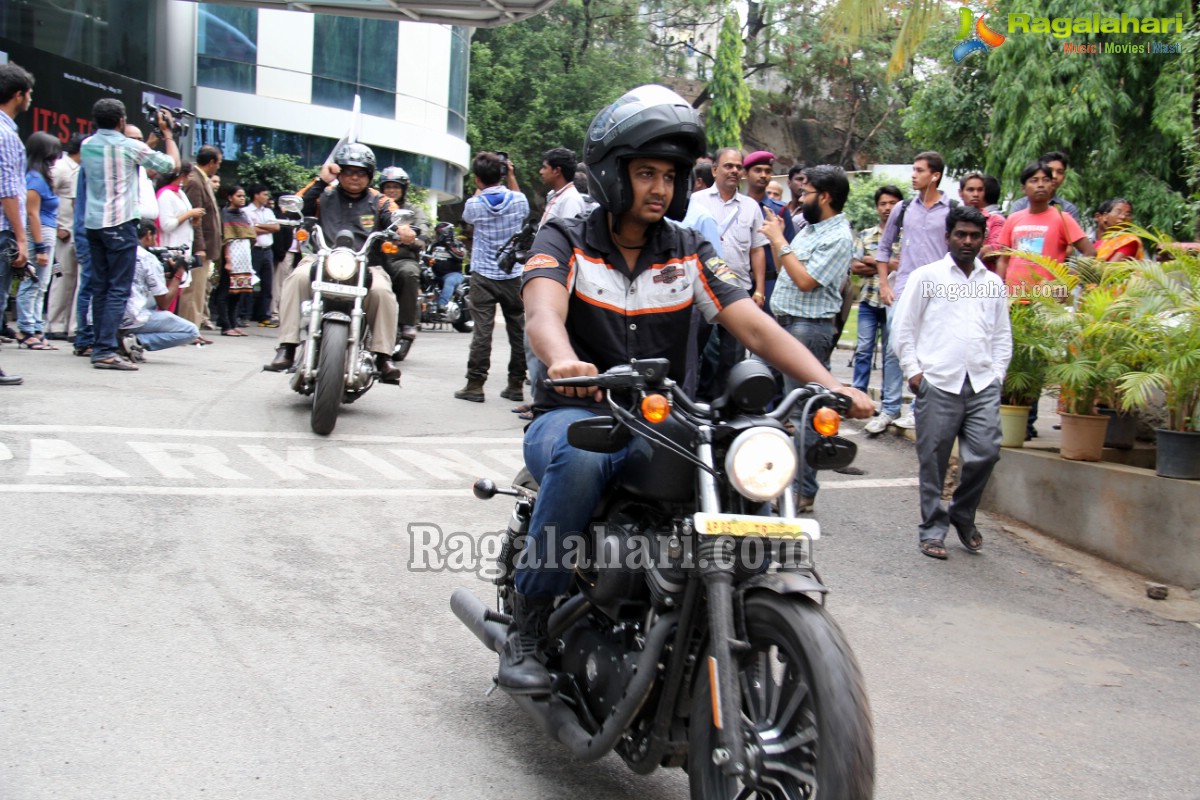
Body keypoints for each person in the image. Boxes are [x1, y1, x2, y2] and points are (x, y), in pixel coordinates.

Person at [500, 84, 874, 694]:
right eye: (645, 173)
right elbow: (543, 312)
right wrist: (564, 359)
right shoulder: (564, 238)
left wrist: (829, 384)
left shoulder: (688, 248)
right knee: (580, 459)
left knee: (743, 468)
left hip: (665, 421)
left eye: (670, 176)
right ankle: (530, 619)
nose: (660, 189)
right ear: (611, 175)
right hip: (575, 414)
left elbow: (750, 321)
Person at [891, 205, 1011, 560]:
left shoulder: (992, 284)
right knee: (934, 462)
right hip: (938, 383)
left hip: (982, 383)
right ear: (948, 237)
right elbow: (904, 327)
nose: (967, 241)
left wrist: (998, 375)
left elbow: (1002, 336)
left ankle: (962, 512)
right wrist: (913, 370)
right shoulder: (927, 276)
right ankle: (932, 531)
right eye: (961, 234)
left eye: (975, 236)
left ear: (982, 241)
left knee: (986, 453)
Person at [760, 165, 856, 513]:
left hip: (808, 329)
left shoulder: (838, 237)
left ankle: (804, 491)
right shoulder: (811, 229)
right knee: (759, 395)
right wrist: (780, 239)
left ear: (826, 197)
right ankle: (769, 478)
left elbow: (805, 281)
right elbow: (785, 267)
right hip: (782, 324)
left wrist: (779, 239)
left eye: (806, 192)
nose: (800, 197)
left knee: (804, 413)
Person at [264, 143, 401, 384]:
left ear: (369, 175)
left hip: (365, 264)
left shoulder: (380, 201)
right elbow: (295, 205)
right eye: (348, 171)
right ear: (339, 173)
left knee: (383, 292)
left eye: (360, 172)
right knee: (296, 278)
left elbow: (397, 220)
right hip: (321, 258)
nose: (354, 177)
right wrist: (321, 179)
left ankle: (383, 355)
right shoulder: (324, 194)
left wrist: (404, 230)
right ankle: (286, 346)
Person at [79, 97, 179, 370]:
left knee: (100, 287)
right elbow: (171, 166)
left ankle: (99, 346)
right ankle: (105, 351)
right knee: (118, 289)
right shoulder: (129, 146)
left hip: (93, 225)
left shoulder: (87, 145)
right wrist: (168, 134)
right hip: (120, 225)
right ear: (122, 122)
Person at [874, 151, 956, 430]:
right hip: (905, 287)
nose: (913, 175)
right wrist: (885, 283)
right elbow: (883, 248)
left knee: (929, 351)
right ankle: (889, 408)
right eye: (913, 170)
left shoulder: (951, 209)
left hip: (938, 290)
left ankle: (918, 408)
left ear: (935, 176)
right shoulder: (904, 207)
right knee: (896, 346)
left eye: (919, 171)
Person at [690, 147, 769, 399]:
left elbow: (757, 250)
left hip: (738, 291)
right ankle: (695, 403)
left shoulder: (750, 207)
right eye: (728, 166)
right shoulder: (697, 201)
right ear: (715, 170)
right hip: (701, 290)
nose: (734, 170)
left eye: (738, 167)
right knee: (696, 350)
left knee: (732, 356)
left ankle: (725, 407)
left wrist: (759, 290)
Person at [455, 151, 529, 403]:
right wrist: (510, 176)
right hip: (513, 275)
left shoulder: (474, 205)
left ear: (477, 179)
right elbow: (522, 206)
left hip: (483, 275)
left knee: (482, 331)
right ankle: (516, 385)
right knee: (517, 329)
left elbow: (469, 215)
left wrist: (481, 188)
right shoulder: (518, 200)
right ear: (502, 174)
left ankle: (475, 385)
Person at [852, 185, 903, 434]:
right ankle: (857, 398)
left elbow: (903, 266)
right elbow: (854, 267)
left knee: (891, 354)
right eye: (883, 203)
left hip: (894, 302)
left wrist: (871, 260)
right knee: (863, 350)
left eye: (892, 203)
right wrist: (885, 263)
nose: (887, 208)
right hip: (868, 301)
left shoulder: (907, 237)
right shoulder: (865, 234)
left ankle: (888, 404)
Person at [0, 62, 35, 378]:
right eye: (28, 93)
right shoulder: (7, 135)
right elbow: (8, 190)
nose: (30, 99)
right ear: (17, 94)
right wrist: (21, 237)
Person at [121, 222, 199, 356]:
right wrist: (178, 274)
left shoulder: (116, 250)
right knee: (191, 331)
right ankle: (136, 341)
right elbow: (164, 303)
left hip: (104, 317)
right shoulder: (148, 258)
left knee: (147, 297)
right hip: (130, 319)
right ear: (148, 234)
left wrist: (164, 277)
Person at [17, 131, 62, 349]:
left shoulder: (40, 177)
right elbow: (32, 214)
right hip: (40, 233)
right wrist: (40, 247)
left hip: (47, 230)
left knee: (41, 284)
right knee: (33, 282)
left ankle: (35, 328)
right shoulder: (34, 179)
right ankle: (27, 329)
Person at [376, 166, 428, 341]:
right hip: (375, 258)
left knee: (409, 273)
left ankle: (407, 323)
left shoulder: (413, 211)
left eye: (396, 187)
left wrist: (413, 239)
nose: (391, 191)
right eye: (388, 187)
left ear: (403, 189)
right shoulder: (374, 205)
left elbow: (423, 232)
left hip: (402, 259)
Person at [46, 133, 85, 340]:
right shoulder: (61, 168)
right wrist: (56, 227)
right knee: (62, 278)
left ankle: (73, 326)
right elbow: (42, 198)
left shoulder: (79, 169)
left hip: (79, 231)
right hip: (64, 234)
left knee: (79, 281)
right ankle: (55, 324)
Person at [179, 145, 222, 331]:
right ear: (211, 162)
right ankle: (188, 329)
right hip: (199, 247)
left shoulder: (201, 180)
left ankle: (193, 328)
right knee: (193, 291)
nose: (218, 167)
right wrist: (199, 247)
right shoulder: (195, 181)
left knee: (200, 290)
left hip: (207, 247)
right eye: (218, 163)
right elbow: (195, 219)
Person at [217, 185, 254, 336]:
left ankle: (233, 322)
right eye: (238, 196)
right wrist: (228, 259)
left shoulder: (243, 214)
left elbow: (250, 236)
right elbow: (226, 239)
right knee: (225, 292)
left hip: (243, 257)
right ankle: (225, 326)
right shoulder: (225, 214)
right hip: (232, 256)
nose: (242, 198)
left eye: (243, 196)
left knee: (237, 293)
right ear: (230, 197)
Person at [1008, 150, 1081, 221]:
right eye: (1050, 170)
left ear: (1063, 178)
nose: (1054, 176)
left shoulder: (1067, 210)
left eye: (1060, 172)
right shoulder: (1020, 206)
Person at [244, 184, 280, 327]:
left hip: (267, 250)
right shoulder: (246, 211)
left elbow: (276, 227)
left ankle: (264, 315)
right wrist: (265, 227)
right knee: (249, 283)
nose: (267, 197)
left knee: (267, 284)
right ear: (256, 195)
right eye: (264, 194)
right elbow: (249, 230)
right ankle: (244, 314)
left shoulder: (269, 212)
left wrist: (259, 226)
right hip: (254, 250)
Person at [958, 172, 1005, 270]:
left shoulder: (995, 220)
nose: (976, 194)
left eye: (980, 190)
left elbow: (997, 249)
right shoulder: (953, 219)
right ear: (960, 193)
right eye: (970, 190)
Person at [537, 147, 588, 226]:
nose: (541, 171)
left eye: (544, 167)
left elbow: (569, 235)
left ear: (557, 171)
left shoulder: (570, 200)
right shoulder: (557, 196)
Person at [122, 124, 160, 223]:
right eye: (133, 140)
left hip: (147, 225)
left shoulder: (140, 164)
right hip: (130, 224)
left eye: (140, 140)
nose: (137, 144)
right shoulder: (120, 164)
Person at [427, 221, 466, 307]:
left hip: (453, 274)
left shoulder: (458, 245)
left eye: (438, 233)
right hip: (435, 274)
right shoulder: (434, 246)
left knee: (450, 281)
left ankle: (442, 305)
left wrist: (448, 246)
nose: (436, 236)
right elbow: (426, 256)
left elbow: (461, 256)